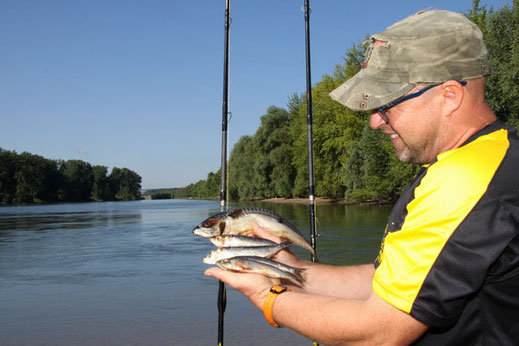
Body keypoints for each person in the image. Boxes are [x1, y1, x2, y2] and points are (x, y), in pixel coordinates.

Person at [205, 9, 519, 345]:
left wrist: (266, 297)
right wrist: (287, 266)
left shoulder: (467, 180)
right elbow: (385, 283)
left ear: (449, 96)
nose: (375, 121)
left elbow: (381, 331)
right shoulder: (483, 159)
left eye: (387, 104)